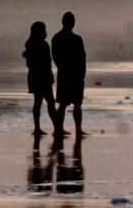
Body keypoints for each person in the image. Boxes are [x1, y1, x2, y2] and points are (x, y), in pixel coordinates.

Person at [52, 9, 88, 146]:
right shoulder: (77, 39)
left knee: (62, 104)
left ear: (62, 22)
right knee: (77, 103)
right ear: (73, 23)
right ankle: (78, 130)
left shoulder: (56, 38)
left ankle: (58, 129)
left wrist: (62, 68)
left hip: (64, 74)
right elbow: (82, 58)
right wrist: (82, 73)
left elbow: (55, 57)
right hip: (76, 74)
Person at [23, 20, 55, 145]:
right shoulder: (43, 45)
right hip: (43, 77)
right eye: (44, 30)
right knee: (50, 102)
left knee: (38, 102)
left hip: (34, 77)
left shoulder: (29, 45)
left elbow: (29, 64)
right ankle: (56, 127)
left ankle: (37, 128)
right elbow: (47, 63)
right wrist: (50, 77)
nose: (46, 32)